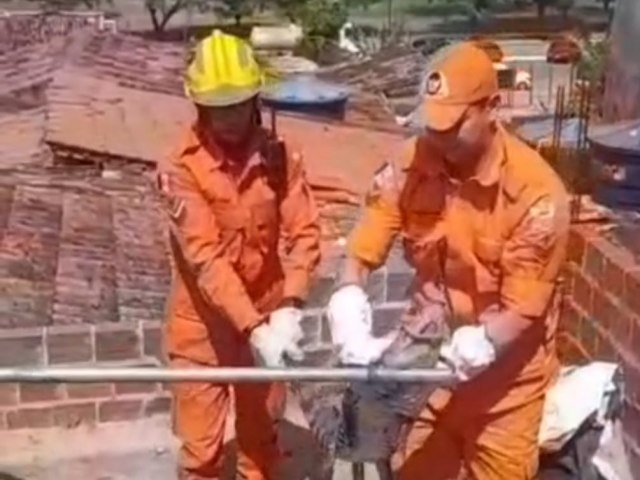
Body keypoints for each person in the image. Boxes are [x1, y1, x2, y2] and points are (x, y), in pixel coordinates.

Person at [327, 42, 570, 480]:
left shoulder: (535, 195)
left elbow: (523, 310)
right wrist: (348, 293)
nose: (438, 139)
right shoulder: (410, 165)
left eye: (452, 126)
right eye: (431, 125)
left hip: (505, 390)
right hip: (427, 374)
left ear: (492, 108)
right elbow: (365, 245)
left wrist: (484, 341)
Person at [156, 30, 321, 480]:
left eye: (236, 105)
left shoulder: (280, 155)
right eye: (218, 107)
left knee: (261, 445)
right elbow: (205, 258)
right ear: (199, 106)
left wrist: (290, 305)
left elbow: (305, 232)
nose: (228, 118)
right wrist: (252, 326)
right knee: (201, 455)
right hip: (202, 330)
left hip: (267, 312)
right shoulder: (180, 166)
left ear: (255, 100)